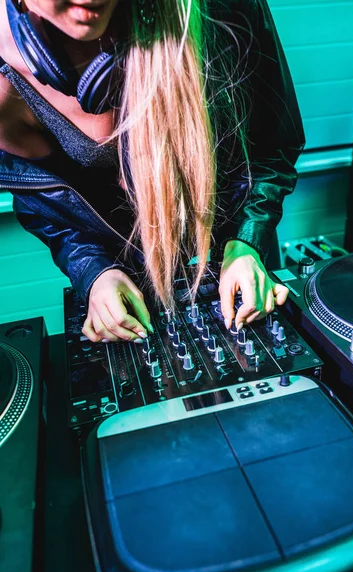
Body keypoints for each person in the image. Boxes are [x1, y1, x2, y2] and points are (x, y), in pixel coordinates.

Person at [0, 0, 305, 343]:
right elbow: (46, 208)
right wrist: (94, 272)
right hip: (129, 294)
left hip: (240, 260)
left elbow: (272, 142)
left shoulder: (219, 8)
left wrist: (248, 240)